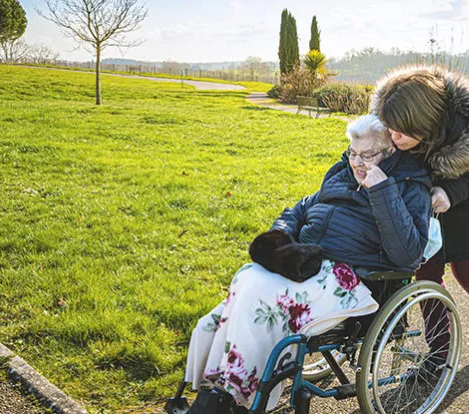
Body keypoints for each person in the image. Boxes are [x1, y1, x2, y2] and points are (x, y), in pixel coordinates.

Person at [184, 114, 432, 413]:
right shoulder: (341, 172)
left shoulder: (409, 186)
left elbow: (408, 255)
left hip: (352, 279)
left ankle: (233, 396)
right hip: (308, 264)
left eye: (367, 155)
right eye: (353, 152)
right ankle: (222, 391)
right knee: (247, 280)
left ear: (390, 152)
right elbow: (300, 208)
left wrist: (381, 190)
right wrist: (281, 240)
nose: (357, 162)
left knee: (257, 295)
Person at [370, 65, 469, 354]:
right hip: (423, 205)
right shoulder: (394, 117)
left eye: (402, 132)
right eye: (390, 129)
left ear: (426, 124)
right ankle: (439, 354)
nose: (394, 138)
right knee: (426, 279)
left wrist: (451, 192)